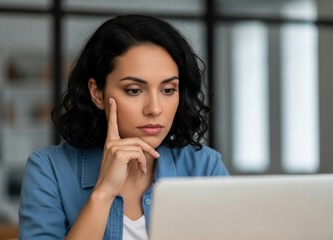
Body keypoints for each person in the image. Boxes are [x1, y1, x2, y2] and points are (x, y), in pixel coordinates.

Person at [18, 14, 229, 240]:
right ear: (97, 93)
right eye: (134, 90)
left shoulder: (205, 167)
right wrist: (104, 192)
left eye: (168, 90)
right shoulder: (49, 170)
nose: (155, 109)